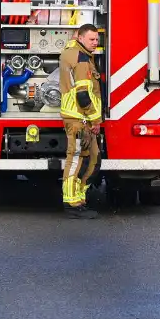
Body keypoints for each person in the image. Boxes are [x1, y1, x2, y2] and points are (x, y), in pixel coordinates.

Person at [58, 23, 103, 219]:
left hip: (81, 117)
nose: (95, 43)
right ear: (80, 37)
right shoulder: (81, 58)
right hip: (79, 118)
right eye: (91, 39)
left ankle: (79, 198)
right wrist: (95, 119)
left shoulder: (73, 53)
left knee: (92, 158)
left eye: (97, 40)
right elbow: (83, 95)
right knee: (76, 160)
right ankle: (71, 203)